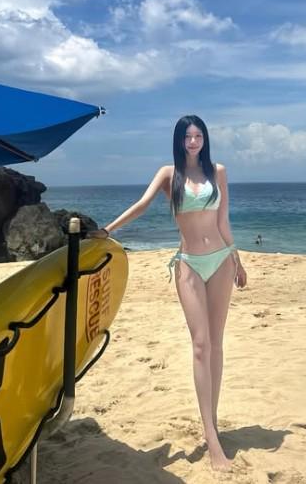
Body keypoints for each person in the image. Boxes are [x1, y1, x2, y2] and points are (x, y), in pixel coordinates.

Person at [89, 114, 247, 471]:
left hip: (221, 260)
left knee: (217, 344)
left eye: (198, 136)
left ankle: (212, 423)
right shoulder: (168, 174)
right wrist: (108, 230)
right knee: (201, 345)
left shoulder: (218, 172)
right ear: (179, 140)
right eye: (187, 136)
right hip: (189, 264)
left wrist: (237, 259)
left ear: (205, 139)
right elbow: (142, 205)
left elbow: (223, 220)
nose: (193, 142)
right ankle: (211, 439)